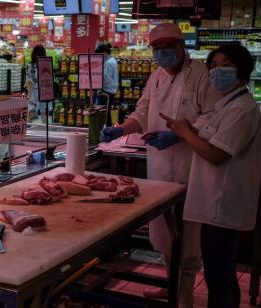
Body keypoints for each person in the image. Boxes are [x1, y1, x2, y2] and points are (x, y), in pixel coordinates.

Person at [100, 23, 221, 306]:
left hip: (190, 166)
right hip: (159, 168)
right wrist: (122, 129)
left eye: (169, 46)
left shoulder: (201, 75)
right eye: (158, 48)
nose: (163, 53)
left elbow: (212, 117)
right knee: (164, 232)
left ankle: (184, 294)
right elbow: (142, 112)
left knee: (187, 235)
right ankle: (170, 284)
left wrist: (178, 135)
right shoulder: (155, 77)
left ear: (182, 46)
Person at [161, 44, 261, 308]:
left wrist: (184, 133)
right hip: (214, 202)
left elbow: (217, 154)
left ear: (242, 69)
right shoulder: (226, 104)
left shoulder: (242, 109)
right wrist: (184, 127)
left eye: (225, 65)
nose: (218, 71)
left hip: (222, 205)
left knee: (219, 277)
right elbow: (210, 135)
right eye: (213, 67)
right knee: (222, 275)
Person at [25, 45, 51, 124]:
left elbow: (29, 82)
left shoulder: (30, 66)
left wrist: (29, 96)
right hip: (46, 91)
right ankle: (47, 131)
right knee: (44, 113)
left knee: (31, 112)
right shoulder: (47, 65)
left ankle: (28, 131)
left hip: (34, 91)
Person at [95, 43, 118, 126]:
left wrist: (99, 87)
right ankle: (107, 129)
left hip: (106, 91)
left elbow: (105, 78)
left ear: (104, 52)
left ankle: (106, 131)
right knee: (107, 112)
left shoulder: (108, 63)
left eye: (100, 55)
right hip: (110, 90)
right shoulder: (112, 60)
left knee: (105, 113)